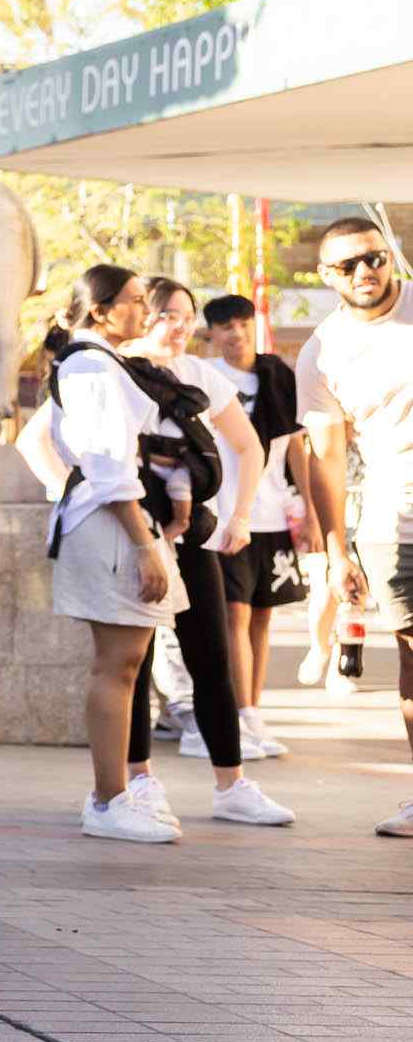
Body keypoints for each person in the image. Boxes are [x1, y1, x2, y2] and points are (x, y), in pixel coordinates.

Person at [119, 279, 292, 825]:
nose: (179, 326)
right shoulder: (110, 368)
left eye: (186, 316)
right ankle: (137, 781)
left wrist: (240, 516)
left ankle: (232, 783)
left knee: (212, 654)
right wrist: (74, 499)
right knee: (134, 663)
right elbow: (42, 442)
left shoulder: (198, 373)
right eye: (166, 314)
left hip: (193, 534)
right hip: (131, 532)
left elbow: (248, 443)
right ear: (140, 316)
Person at [33, 265, 188, 843]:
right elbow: (108, 466)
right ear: (99, 311)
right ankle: (108, 797)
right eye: (132, 301)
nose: (144, 311)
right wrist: (145, 544)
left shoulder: (97, 363)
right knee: (118, 664)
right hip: (109, 524)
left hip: (113, 521)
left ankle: (115, 792)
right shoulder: (94, 367)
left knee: (125, 664)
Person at [293, 216, 413, 837]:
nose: (364, 273)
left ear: (389, 254)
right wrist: (337, 551)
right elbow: (328, 458)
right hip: (395, 520)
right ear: (326, 276)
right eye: (346, 266)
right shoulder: (323, 352)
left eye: (372, 258)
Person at [196, 296, 301, 751]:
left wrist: (312, 515)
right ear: (212, 335)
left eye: (243, 324)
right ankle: (241, 714)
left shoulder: (279, 376)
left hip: (274, 514)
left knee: (262, 618)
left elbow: (299, 448)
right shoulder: (205, 378)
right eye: (225, 327)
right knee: (233, 616)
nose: (236, 334)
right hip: (226, 516)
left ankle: (254, 712)